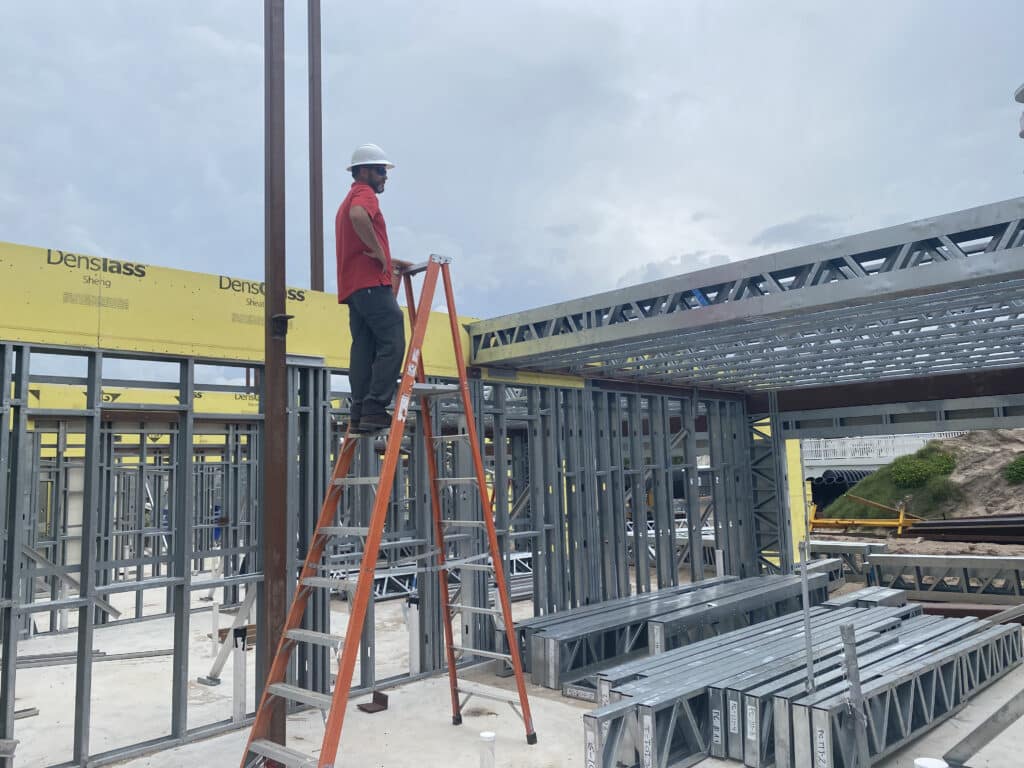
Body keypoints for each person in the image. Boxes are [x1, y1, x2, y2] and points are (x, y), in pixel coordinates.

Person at [335, 143, 410, 433]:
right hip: (371, 284)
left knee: (363, 347)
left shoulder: (347, 199)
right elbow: (359, 216)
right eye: (380, 171)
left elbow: (354, 226)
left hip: (354, 290)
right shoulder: (363, 194)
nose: (384, 177)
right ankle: (376, 406)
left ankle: (360, 413)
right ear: (363, 172)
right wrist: (380, 254)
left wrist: (389, 258)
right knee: (393, 336)